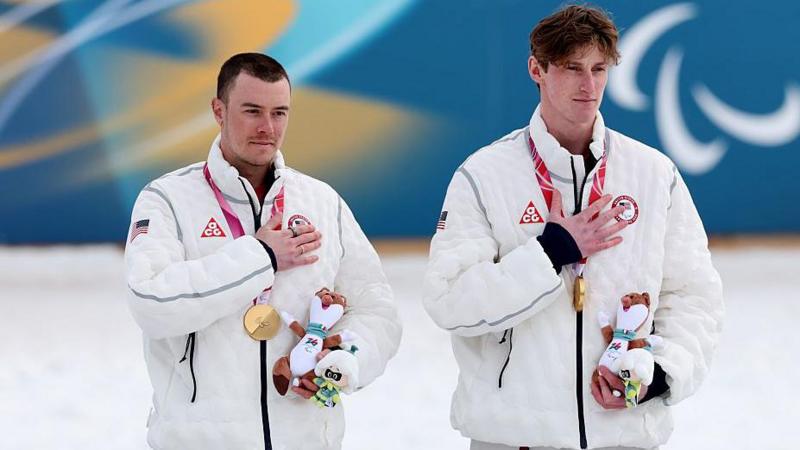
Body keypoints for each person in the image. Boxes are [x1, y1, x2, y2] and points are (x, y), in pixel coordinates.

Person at [423, 5, 723, 450]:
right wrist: (549, 253)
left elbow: (694, 296)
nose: (589, 85)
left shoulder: (653, 174)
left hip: (625, 434)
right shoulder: (484, 176)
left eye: (599, 69)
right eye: (572, 68)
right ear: (536, 69)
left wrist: (661, 374)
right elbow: (449, 301)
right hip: (516, 438)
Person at [124, 53, 401, 450]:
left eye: (280, 112)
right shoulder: (167, 199)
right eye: (252, 111)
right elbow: (150, 302)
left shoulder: (322, 201)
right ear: (218, 110)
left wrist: (343, 360)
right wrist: (261, 256)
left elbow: (377, 309)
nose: (267, 128)